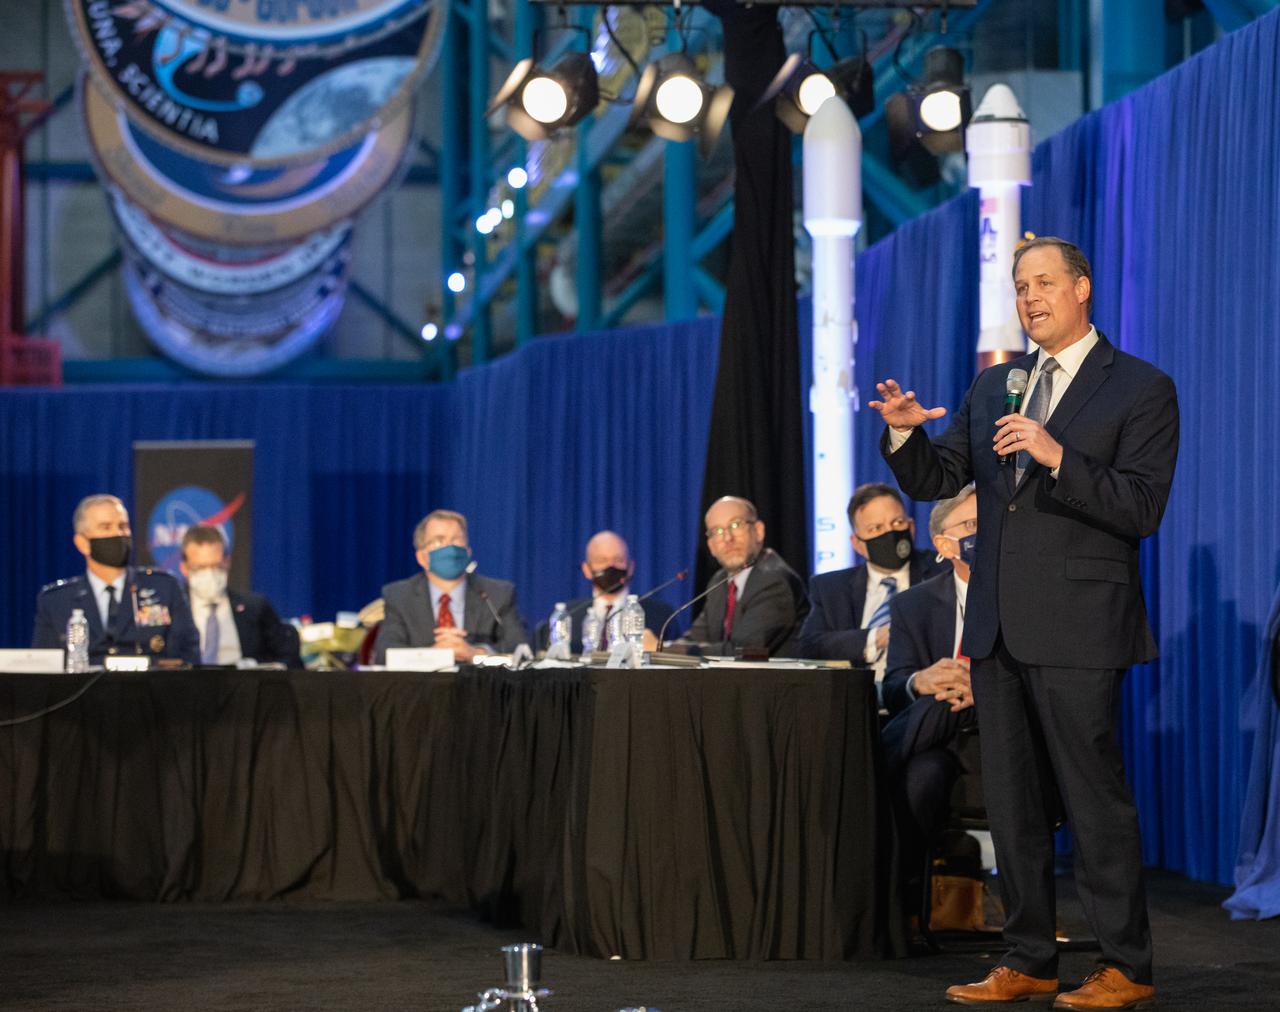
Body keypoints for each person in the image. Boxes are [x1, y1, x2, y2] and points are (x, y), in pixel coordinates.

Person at [870, 236, 1178, 1009]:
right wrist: (906, 432)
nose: (1029, 297)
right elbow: (940, 476)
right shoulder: (995, 385)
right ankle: (1029, 956)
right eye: (1018, 286)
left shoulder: (1139, 387)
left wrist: (1055, 454)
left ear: (1082, 289)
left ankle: (1125, 967)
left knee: (1092, 797)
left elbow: (1141, 507)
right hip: (999, 627)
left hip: (1081, 621)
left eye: (1043, 282)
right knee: (1011, 804)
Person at [879, 486, 980, 909]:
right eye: (972, 526)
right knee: (923, 776)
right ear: (943, 544)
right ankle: (910, 905)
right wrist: (921, 680)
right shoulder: (913, 605)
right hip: (936, 744)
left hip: (998, 736)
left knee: (941, 705)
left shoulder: (1026, 592)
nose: (985, 533)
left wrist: (984, 687)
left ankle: (872, 761)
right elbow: (893, 684)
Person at [795, 482, 949, 693]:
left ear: (911, 528)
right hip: (855, 699)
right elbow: (810, 645)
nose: (889, 533)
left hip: (919, 695)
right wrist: (876, 637)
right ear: (857, 543)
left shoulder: (942, 572)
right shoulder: (831, 588)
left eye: (897, 523)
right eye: (876, 528)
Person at [32, 493, 200, 665]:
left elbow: (187, 658)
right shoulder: (56, 601)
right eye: (106, 527)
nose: (118, 534)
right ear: (82, 543)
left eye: (123, 526)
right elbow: (44, 670)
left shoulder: (164, 588)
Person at [374, 509, 528, 663]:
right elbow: (385, 653)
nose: (449, 548)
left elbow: (521, 649)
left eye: (456, 540)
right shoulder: (399, 596)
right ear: (421, 557)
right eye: (439, 540)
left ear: (467, 552)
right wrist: (433, 655)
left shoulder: (498, 594)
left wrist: (475, 653)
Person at [677, 496, 808, 656]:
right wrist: (663, 647)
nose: (728, 538)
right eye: (717, 531)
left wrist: (674, 651)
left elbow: (742, 651)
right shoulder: (719, 581)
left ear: (759, 531)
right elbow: (697, 637)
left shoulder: (774, 580)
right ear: (711, 546)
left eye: (736, 525)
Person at [179, 525, 302, 668]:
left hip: (243, 686)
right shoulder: (173, 611)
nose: (209, 574)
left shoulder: (255, 608)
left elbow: (289, 660)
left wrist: (256, 666)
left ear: (227, 562)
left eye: (216, 566)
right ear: (184, 568)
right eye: (200, 567)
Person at [535, 530, 676, 653]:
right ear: (586, 569)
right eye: (602, 560)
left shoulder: (662, 615)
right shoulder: (569, 615)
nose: (611, 566)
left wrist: (658, 648)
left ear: (631, 567)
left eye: (618, 559)